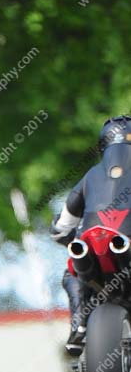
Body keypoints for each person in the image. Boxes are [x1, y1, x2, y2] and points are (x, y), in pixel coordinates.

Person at [50, 115, 131, 355]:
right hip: (121, 247)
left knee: (72, 273)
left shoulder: (91, 175)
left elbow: (60, 228)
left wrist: (64, 234)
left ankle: (79, 324)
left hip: (91, 246)